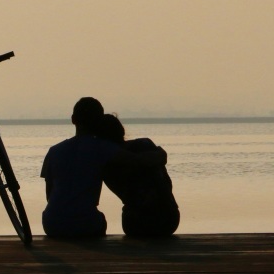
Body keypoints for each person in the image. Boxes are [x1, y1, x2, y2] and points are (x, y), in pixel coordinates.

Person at [39, 97, 116, 238]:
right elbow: (137, 161)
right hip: (86, 223)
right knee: (100, 220)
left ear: (73, 119)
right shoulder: (103, 148)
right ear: (100, 121)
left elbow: (49, 193)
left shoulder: (54, 151)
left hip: (52, 223)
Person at [96, 113, 180, 237]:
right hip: (171, 219)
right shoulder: (145, 144)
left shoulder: (107, 162)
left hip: (136, 224)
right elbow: (161, 158)